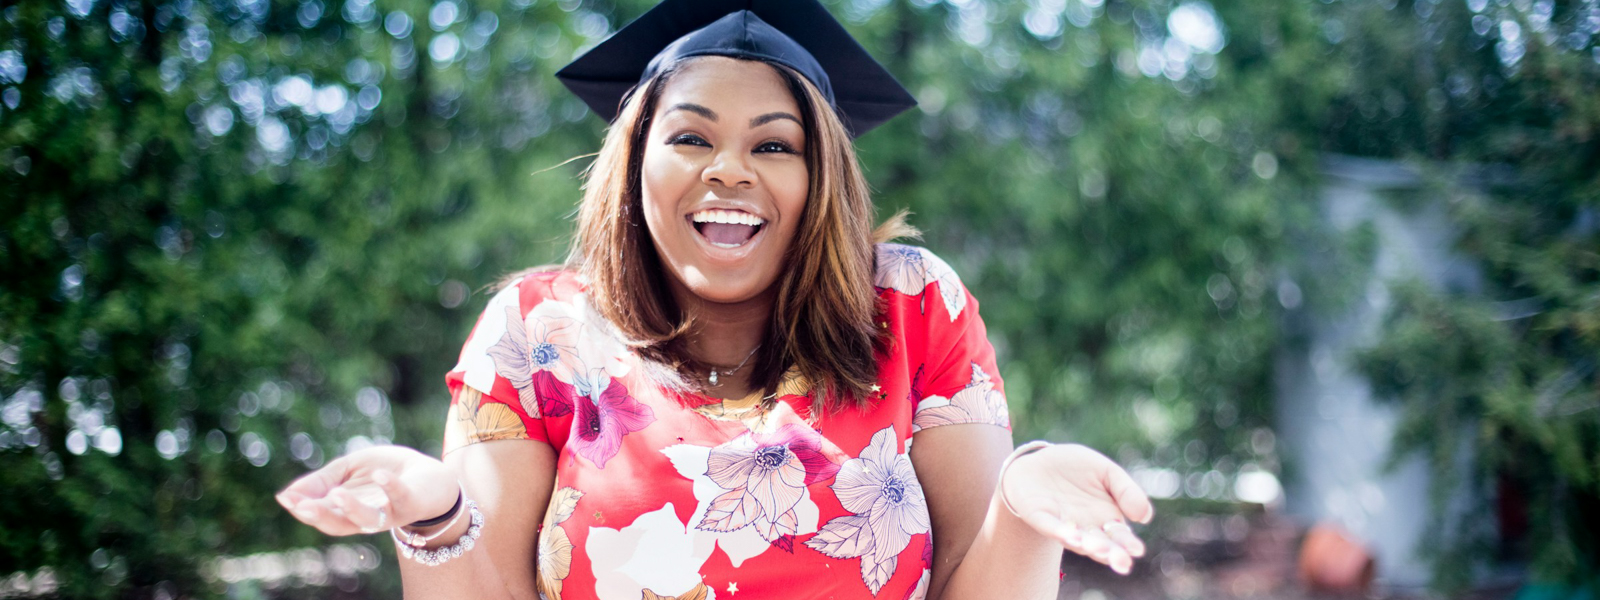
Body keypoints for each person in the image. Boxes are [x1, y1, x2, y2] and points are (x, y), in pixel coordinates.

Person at [276, 1, 1154, 598]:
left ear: (822, 178)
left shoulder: (912, 308)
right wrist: (431, 511)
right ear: (635, 162)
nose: (729, 168)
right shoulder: (536, 335)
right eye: (691, 135)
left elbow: (973, 572)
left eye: (775, 146)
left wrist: (1024, 503)